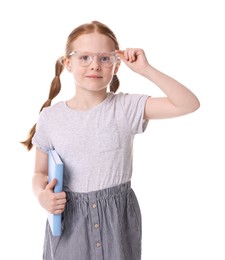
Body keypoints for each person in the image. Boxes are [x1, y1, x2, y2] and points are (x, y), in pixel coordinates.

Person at [21, 20, 200, 260]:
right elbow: (39, 173)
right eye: (84, 57)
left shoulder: (126, 107)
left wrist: (146, 69)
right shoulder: (51, 117)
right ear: (68, 63)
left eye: (104, 58)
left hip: (117, 220)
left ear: (116, 66)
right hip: (69, 220)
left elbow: (188, 104)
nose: (94, 65)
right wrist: (42, 195)